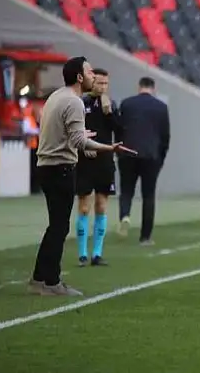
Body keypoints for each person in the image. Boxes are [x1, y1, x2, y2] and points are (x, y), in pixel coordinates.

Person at [29, 56, 134, 297]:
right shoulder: (74, 102)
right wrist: (110, 148)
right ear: (79, 77)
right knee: (59, 227)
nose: (93, 76)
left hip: (46, 166)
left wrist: (79, 135)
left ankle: (38, 279)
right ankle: (51, 282)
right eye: (89, 72)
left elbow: (59, 130)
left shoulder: (57, 96)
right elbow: (78, 141)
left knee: (55, 225)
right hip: (60, 167)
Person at [116, 76, 170, 245]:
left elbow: (119, 129)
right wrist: (161, 157)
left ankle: (125, 216)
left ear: (139, 87)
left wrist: (119, 151)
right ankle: (145, 236)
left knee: (126, 191)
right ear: (153, 88)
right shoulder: (161, 107)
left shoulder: (126, 104)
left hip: (128, 153)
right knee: (148, 195)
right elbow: (165, 135)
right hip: (150, 155)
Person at [76, 68, 121, 266]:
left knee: (101, 206)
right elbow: (73, 130)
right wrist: (83, 146)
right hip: (84, 160)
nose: (103, 87)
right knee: (84, 207)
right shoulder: (80, 103)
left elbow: (119, 131)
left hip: (104, 160)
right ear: (91, 82)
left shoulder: (110, 105)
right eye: (99, 83)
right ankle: (82, 254)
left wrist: (109, 112)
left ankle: (97, 254)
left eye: (106, 84)